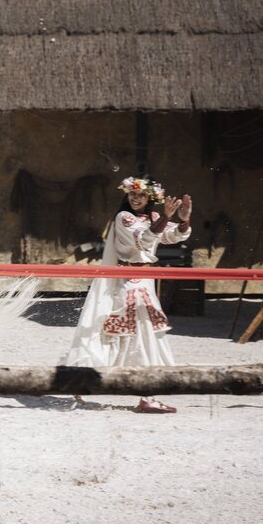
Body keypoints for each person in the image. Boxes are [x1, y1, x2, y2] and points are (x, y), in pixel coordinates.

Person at [64, 175, 193, 413]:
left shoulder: (153, 218)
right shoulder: (124, 218)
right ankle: (146, 395)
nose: (136, 198)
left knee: (134, 336)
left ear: (149, 197)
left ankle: (87, 380)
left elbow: (172, 235)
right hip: (130, 283)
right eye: (132, 194)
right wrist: (166, 216)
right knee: (136, 335)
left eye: (141, 194)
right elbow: (144, 240)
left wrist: (183, 221)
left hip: (144, 281)